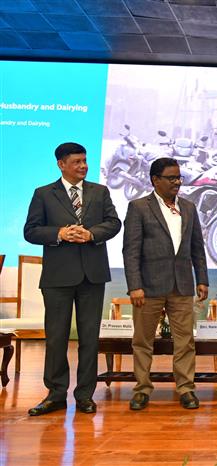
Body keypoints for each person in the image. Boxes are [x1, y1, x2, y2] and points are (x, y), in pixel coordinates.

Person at [24, 142, 121, 416]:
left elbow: (114, 223)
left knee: (90, 337)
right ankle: (55, 394)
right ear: (61, 164)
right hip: (57, 277)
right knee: (56, 338)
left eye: (85, 160)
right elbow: (31, 231)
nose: (83, 166)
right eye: (77, 161)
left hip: (92, 275)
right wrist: (59, 234)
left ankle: (85, 395)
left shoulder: (100, 192)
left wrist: (91, 234)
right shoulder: (43, 194)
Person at [122, 158, 209, 410]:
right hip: (147, 287)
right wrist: (134, 285)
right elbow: (131, 250)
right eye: (171, 178)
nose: (177, 182)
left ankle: (186, 389)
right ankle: (141, 389)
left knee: (185, 341)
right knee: (142, 341)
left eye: (179, 178)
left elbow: (197, 248)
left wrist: (201, 279)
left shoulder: (189, 208)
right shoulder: (139, 207)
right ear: (155, 180)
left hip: (182, 285)